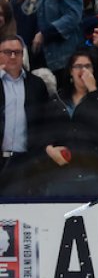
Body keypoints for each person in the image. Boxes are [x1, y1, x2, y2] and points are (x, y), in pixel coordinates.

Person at [41, 49, 98, 197]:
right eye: (78, 66)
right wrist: (49, 150)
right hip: (62, 175)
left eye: (87, 66)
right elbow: (45, 133)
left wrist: (93, 91)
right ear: (71, 71)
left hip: (97, 175)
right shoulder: (57, 99)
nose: (83, 70)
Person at [0, 34, 51, 197]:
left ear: (23, 54)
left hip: (27, 161)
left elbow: (44, 122)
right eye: (7, 52)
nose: (13, 56)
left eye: (17, 52)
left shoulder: (36, 84)